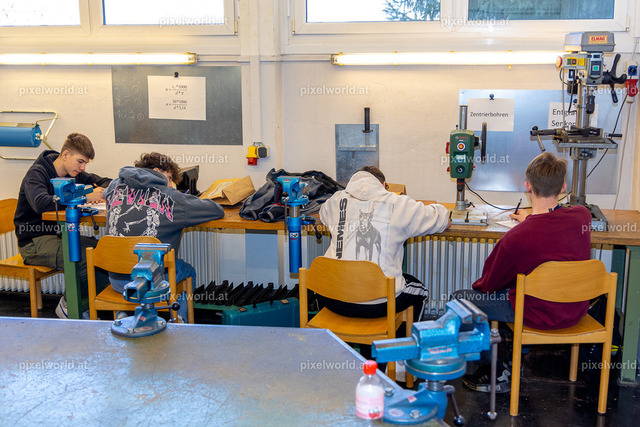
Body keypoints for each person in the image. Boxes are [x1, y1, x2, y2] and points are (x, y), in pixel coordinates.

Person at [453, 152, 591, 393]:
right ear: (563, 187)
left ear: (527, 186)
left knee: (460, 300)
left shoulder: (516, 238)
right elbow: (552, 223)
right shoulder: (582, 217)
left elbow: (488, 284)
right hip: (574, 310)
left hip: (537, 313)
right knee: (516, 288)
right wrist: (532, 219)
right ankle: (512, 357)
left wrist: (528, 223)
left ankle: (494, 369)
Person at [319, 166, 451, 323]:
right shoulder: (399, 204)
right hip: (379, 304)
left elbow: (322, 215)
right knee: (420, 291)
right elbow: (443, 220)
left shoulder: (335, 201)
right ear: (383, 185)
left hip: (334, 299)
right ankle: (401, 338)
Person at [103, 152, 224, 322]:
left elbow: (105, 195)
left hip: (117, 279)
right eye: (169, 178)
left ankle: (124, 314)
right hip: (154, 281)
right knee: (188, 271)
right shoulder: (171, 197)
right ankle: (180, 321)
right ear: (156, 171)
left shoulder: (114, 186)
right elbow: (216, 210)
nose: (171, 184)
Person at [14, 133, 111, 319]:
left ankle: (83, 305)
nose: (82, 168)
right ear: (65, 154)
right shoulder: (37, 173)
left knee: (104, 251)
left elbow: (104, 181)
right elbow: (41, 203)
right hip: (33, 241)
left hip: (59, 235)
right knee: (85, 259)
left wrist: (102, 190)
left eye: (85, 164)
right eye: (80, 162)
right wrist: (85, 196)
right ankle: (69, 306)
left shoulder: (73, 173)